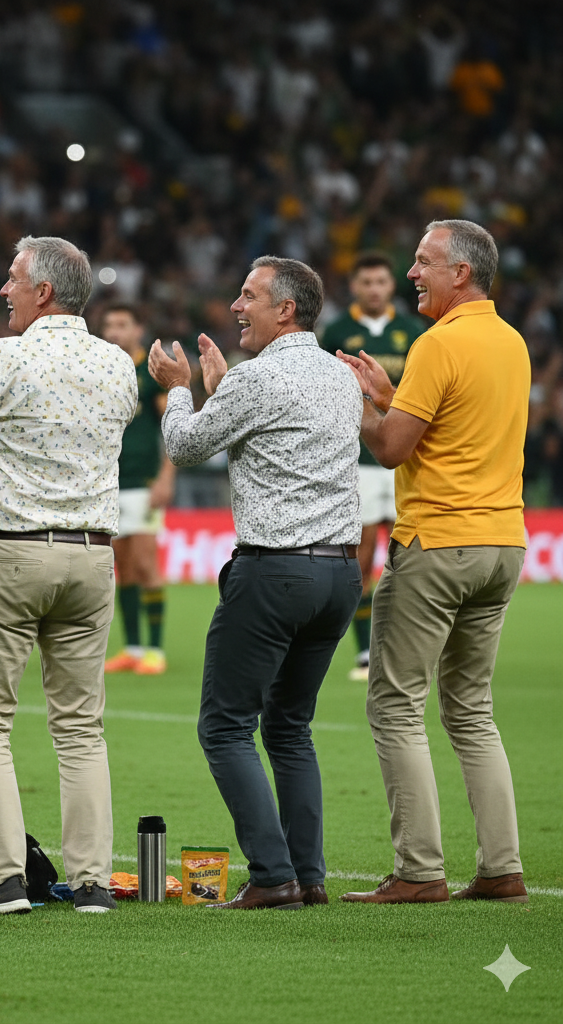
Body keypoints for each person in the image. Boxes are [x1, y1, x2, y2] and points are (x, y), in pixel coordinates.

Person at [0, 236, 137, 914]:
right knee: (81, 727)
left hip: (15, 551)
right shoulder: (117, 362)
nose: (3, 290)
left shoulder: (0, 357)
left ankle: (3, 877)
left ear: (43, 291)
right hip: (92, 555)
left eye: (13, 279)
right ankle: (94, 882)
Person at [149, 256, 362, 911]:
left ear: (286, 309)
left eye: (250, 294)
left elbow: (185, 446)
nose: (237, 304)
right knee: (291, 727)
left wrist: (180, 388)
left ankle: (272, 877)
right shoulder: (341, 374)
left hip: (274, 570)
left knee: (225, 728)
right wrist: (225, 392)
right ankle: (310, 875)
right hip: (341, 574)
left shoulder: (256, 377)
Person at [338, 219, 530, 905]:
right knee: (472, 709)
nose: (412, 273)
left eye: (423, 262)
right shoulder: (511, 342)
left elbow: (391, 450)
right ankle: (502, 867)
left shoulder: (437, 344)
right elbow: (452, 428)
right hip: (503, 542)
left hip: (439, 542)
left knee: (395, 704)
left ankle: (419, 872)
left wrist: (361, 403)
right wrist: (393, 398)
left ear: (463, 273)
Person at [322, 253, 423, 679]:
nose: (375, 288)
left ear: (390, 285)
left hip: (404, 460)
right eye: (367, 282)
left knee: (410, 561)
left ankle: (407, 653)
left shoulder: (415, 332)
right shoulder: (338, 332)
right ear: (356, 287)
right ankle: (364, 654)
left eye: (382, 281)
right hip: (359, 462)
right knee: (360, 560)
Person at [100, 304, 175, 676]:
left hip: (143, 483)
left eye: (122, 324)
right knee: (123, 567)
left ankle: (156, 650)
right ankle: (131, 648)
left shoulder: (151, 372)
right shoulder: (101, 368)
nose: (114, 331)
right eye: (110, 324)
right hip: (110, 482)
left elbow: (172, 426)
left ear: (138, 329)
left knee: (146, 564)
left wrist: (166, 477)